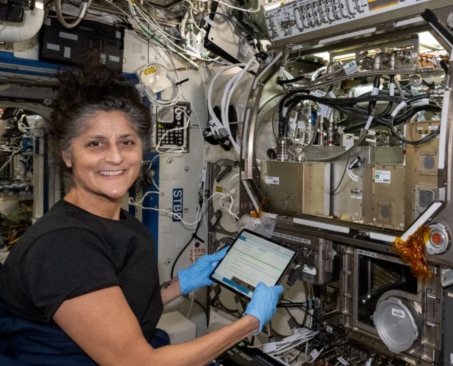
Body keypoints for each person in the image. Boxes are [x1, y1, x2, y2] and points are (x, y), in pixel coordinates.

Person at [0, 54, 283, 365]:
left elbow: (111, 312)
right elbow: (136, 362)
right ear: (68, 155)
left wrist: (179, 286)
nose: (116, 157)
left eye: (127, 142)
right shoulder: (64, 245)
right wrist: (251, 323)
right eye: (95, 144)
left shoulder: (122, 225)